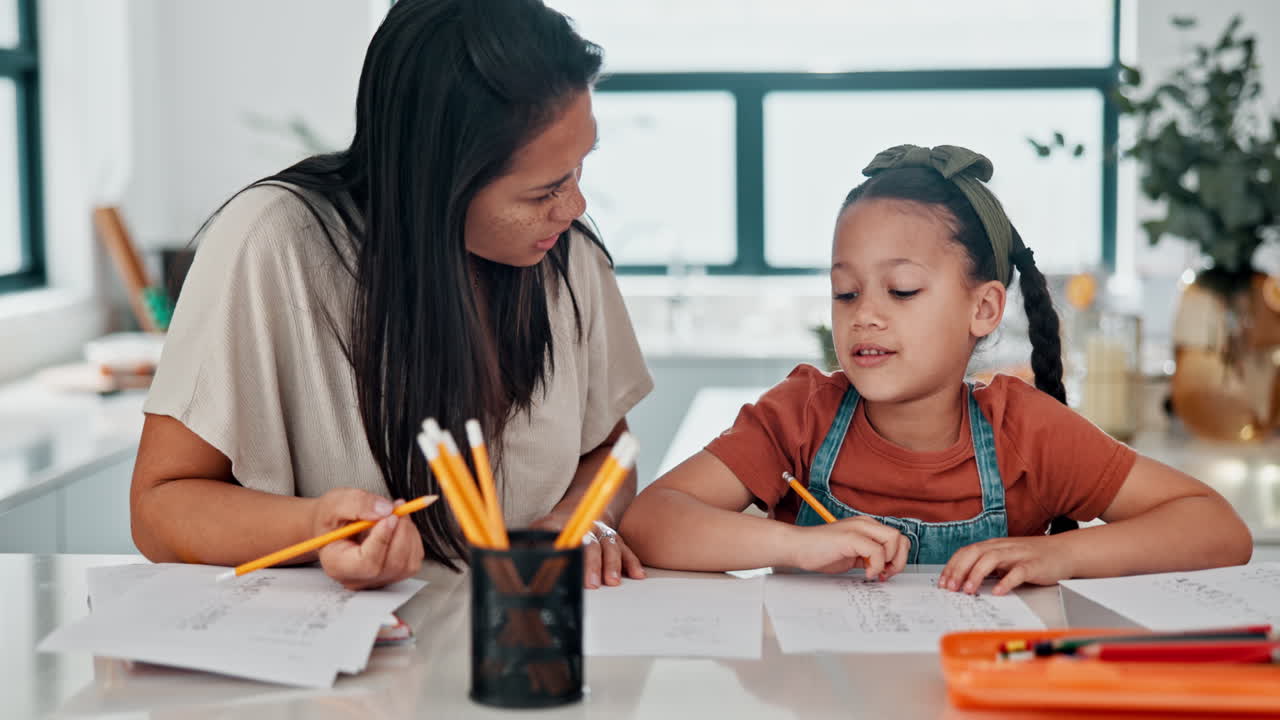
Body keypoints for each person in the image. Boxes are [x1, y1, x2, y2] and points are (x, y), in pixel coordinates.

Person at [130, 0, 653, 591]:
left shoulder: (566, 253)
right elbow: (159, 508)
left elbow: (609, 450)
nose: (574, 208)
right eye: (542, 192)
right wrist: (316, 527)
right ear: (435, 173)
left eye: (581, 168)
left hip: (524, 633)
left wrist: (576, 525)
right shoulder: (274, 240)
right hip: (341, 660)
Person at [621, 144, 1252, 595]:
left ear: (983, 308)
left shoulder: (1026, 431)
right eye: (845, 293)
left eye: (900, 291)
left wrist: (1058, 554)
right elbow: (652, 522)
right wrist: (798, 545)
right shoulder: (800, 415)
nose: (864, 315)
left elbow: (1217, 528)